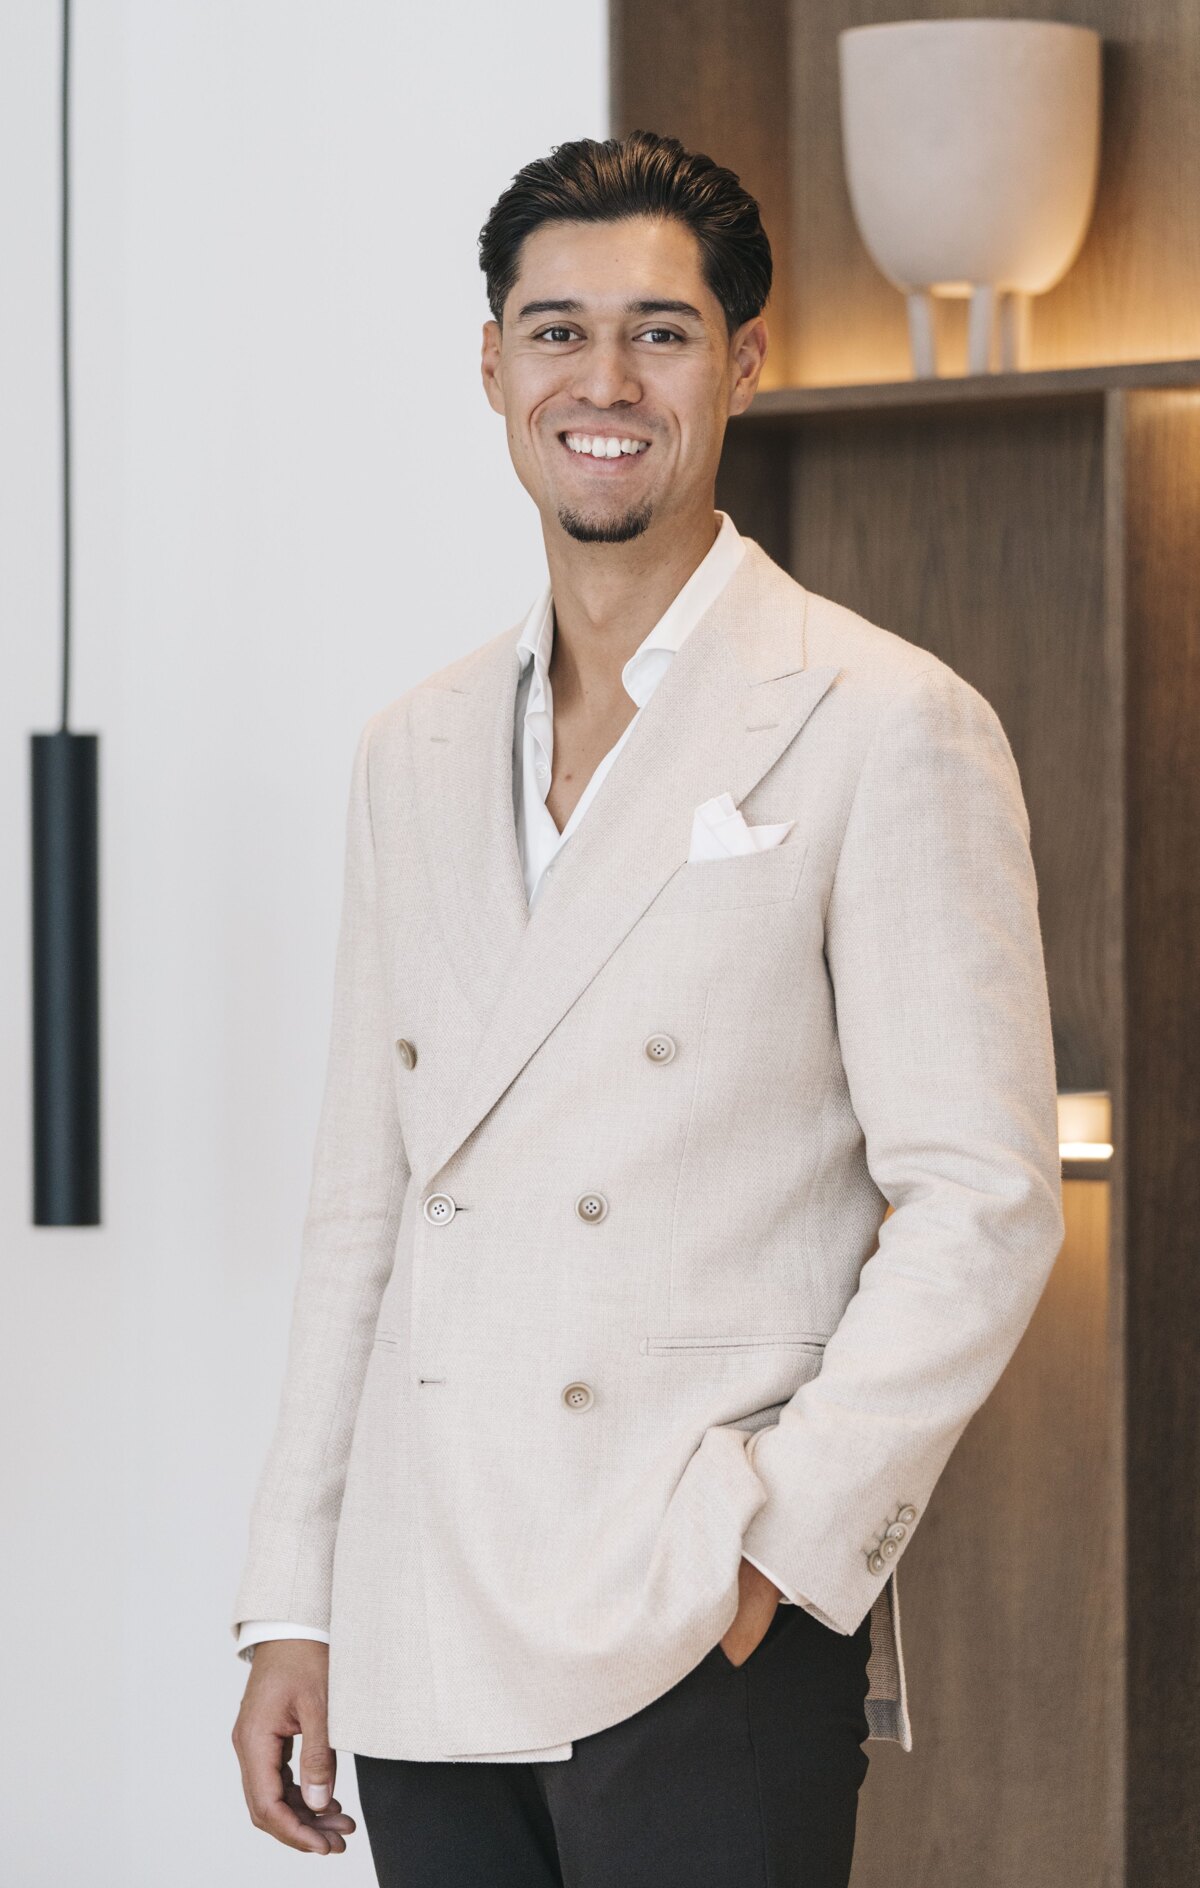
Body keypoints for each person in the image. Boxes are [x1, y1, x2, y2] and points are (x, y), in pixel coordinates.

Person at [230, 131, 1065, 1886]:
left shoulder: (885, 719)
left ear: (743, 366)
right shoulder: (417, 746)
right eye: (555, 331)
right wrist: (292, 1601)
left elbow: (982, 1202)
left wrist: (780, 1549)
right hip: (428, 1602)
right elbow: (361, 1204)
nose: (603, 383)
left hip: (699, 1608)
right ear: (490, 364)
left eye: (661, 334)